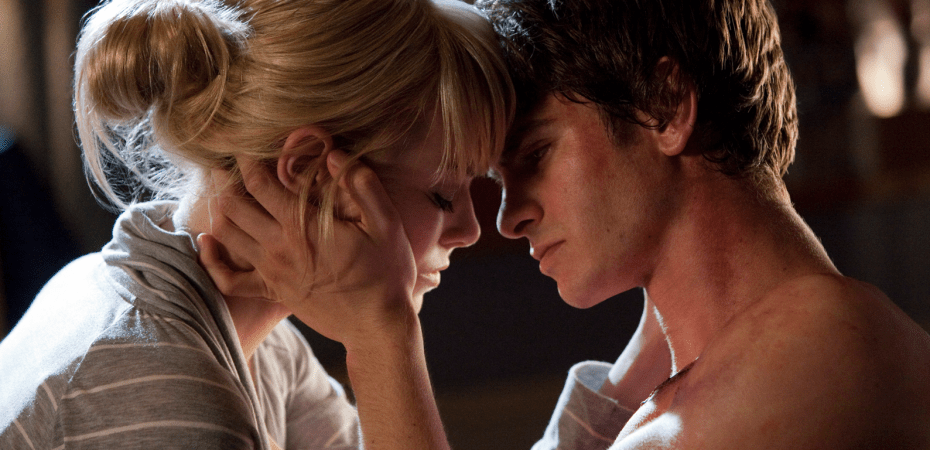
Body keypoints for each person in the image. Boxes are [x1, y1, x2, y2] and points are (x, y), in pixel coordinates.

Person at [201, 0, 930, 448]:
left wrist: (381, 337)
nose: (511, 217)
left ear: (665, 107)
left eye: (536, 155)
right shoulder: (708, 375)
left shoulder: (828, 353)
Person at [0, 0, 512, 448]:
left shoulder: (261, 345)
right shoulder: (162, 393)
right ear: (308, 171)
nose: (469, 229)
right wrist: (384, 336)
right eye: (442, 194)